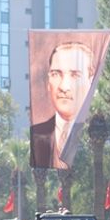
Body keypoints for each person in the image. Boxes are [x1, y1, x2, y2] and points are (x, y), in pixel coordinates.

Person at [30, 41, 96, 170]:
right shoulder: (36, 135)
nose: (64, 87)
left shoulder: (98, 133)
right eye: (56, 74)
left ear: (90, 81)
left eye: (75, 75)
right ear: (48, 82)